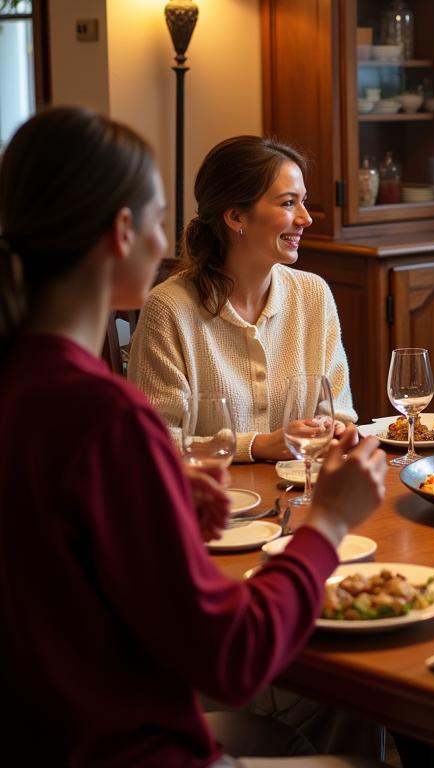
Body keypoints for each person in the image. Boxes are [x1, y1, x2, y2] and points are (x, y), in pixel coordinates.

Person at [0, 106, 388, 766]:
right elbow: (230, 658)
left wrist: (168, 498)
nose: (168, 241)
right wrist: (326, 525)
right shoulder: (106, 418)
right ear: (123, 233)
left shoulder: (24, 387)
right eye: (156, 219)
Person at [129, 136, 355, 462]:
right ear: (236, 217)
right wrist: (256, 445)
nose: (306, 218)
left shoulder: (314, 295)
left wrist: (334, 430)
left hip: (300, 492)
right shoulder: (169, 308)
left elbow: (340, 412)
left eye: (303, 201)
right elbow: (152, 441)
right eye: (289, 203)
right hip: (213, 499)